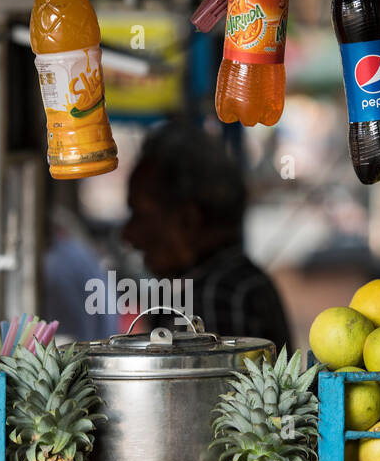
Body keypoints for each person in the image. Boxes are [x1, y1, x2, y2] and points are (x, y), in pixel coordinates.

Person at [122, 120, 291, 349]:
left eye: (141, 215)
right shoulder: (232, 281)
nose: (129, 234)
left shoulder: (216, 296)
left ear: (188, 219)